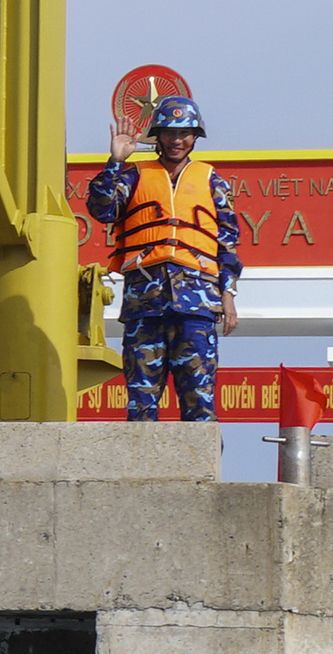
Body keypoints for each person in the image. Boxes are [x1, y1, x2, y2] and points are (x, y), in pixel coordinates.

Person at [85, 95, 243, 422]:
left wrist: (228, 297)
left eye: (184, 133)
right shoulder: (134, 176)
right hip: (144, 305)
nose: (177, 140)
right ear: (158, 135)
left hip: (196, 305)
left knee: (199, 399)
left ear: (194, 137)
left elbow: (227, 244)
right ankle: (138, 470)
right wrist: (115, 161)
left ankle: (201, 471)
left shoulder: (213, 181)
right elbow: (101, 209)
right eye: (170, 132)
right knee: (141, 401)